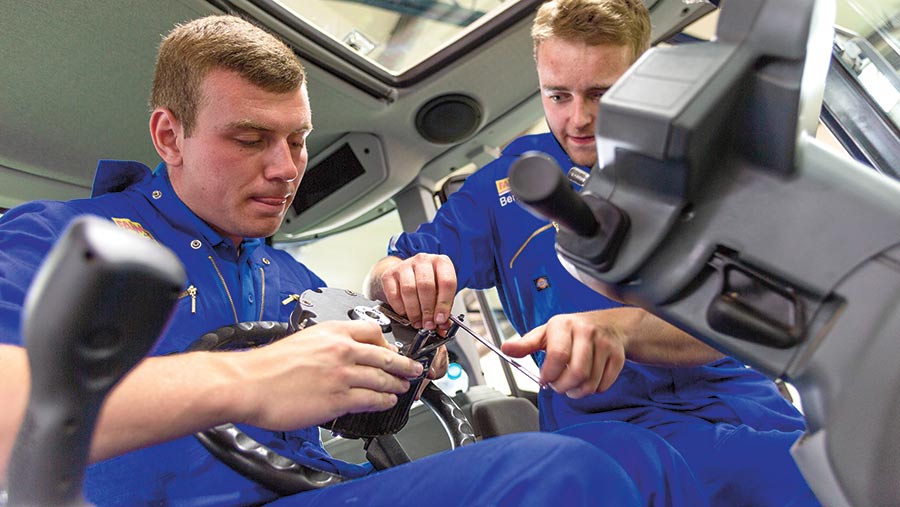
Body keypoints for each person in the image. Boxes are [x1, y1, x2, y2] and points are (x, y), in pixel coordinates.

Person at [0, 13, 709, 507]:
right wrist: (245, 378)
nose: (287, 169)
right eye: (251, 138)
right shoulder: (67, 239)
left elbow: (366, 410)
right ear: (169, 134)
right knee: (561, 474)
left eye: (299, 140)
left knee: (637, 459)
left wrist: (413, 354)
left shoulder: (296, 283)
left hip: (317, 489)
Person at [366, 1, 822, 506]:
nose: (577, 118)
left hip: (745, 412)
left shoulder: (712, 166)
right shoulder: (500, 189)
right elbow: (388, 271)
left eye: (601, 93)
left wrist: (620, 329)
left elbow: (750, 313)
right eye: (557, 95)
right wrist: (401, 278)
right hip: (609, 434)